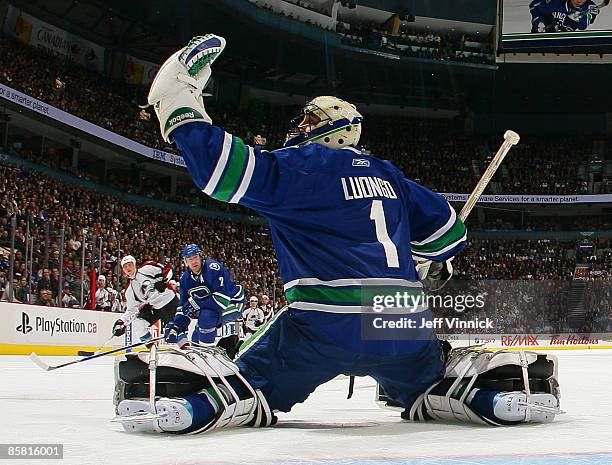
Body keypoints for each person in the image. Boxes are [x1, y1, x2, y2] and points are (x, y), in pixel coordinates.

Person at [114, 35, 562, 434]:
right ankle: (491, 398)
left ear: (328, 130)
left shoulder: (304, 165)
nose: (301, 130)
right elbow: (449, 235)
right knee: (435, 387)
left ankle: (193, 405)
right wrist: (424, 257)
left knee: (249, 385)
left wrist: (179, 108)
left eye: (309, 122)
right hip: (401, 323)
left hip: (326, 323)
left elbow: (220, 172)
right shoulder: (391, 176)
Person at [163, 244, 244, 351]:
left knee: (206, 317)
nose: (193, 261)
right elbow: (184, 307)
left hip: (234, 302)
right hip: (211, 307)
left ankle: (207, 353)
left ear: (201, 257)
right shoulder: (185, 279)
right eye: (190, 259)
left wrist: (197, 304)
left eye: (195, 257)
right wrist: (176, 326)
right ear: (185, 262)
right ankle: (196, 354)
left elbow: (222, 301)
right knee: (195, 337)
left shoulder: (213, 268)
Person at [111, 255, 178, 343]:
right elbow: (131, 310)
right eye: (125, 266)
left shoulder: (147, 269)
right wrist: (121, 321)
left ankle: (182, 346)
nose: (128, 268)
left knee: (172, 333)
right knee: (137, 325)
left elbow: (168, 270)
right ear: (123, 270)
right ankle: (152, 348)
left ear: (135, 265)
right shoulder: (130, 290)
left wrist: (163, 281)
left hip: (170, 302)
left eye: (130, 265)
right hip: (155, 308)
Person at [530, 0, 599, 32]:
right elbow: (534, 5)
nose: (579, 1)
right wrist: (538, 21)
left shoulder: (591, 7)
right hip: (544, 39)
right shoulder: (556, 2)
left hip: (564, 41)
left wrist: (578, 16)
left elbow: (582, 26)